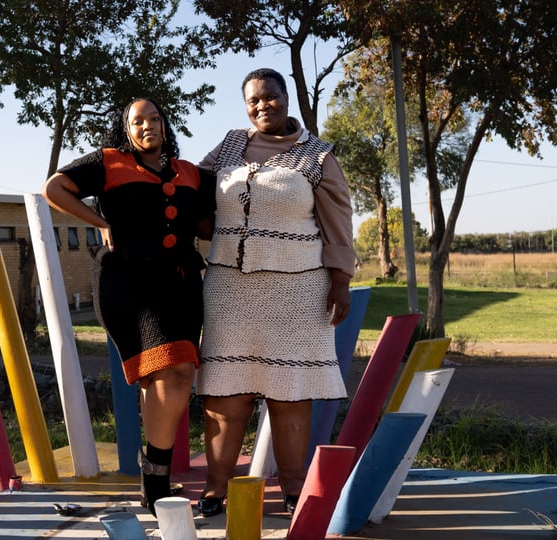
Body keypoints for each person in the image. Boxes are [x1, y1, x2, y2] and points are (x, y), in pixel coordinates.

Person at [194, 68, 356, 518]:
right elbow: (192, 190)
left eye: (270, 97)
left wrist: (340, 279)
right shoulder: (228, 145)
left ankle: (292, 488)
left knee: (289, 392)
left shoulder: (317, 154)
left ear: (286, 99)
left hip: (298, 288)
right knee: (224, 395)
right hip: (229, 288)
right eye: (253, 100)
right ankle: (214, 488)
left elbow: (338, 219)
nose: (262, 105)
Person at [42, 98, 215, 515]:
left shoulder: (190, 172)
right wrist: (101, 223)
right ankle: (156, 477)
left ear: (165, 125)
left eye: (155, 118)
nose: (148, 126)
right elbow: (54, 188)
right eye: (138, 121)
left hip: (182, 284)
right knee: (170, 372)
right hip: (129, 284)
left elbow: (211, 222)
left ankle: (152, 475)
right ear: (127, 128)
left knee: (173, 374)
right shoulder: (109, 161)